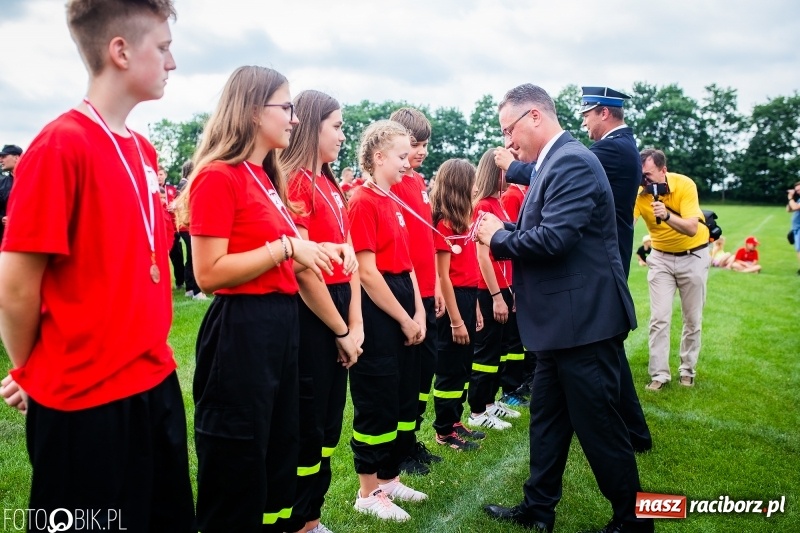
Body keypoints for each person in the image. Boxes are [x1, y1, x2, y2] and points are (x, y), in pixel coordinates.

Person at [0, 1, 196, 531]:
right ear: (120, 51)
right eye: (163, 47)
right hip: (83, 405)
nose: (172, 63)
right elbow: (16, 287)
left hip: (154, 383)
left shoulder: (144, 151)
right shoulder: (60, 146)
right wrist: (32, 371)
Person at [478, 83, 653, 533]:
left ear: (534, 116)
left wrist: (498, 238)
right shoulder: (553, 161)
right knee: (548, 423)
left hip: (584, 323)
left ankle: (635, 521)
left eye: (509, 130)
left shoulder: (571, 160)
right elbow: (545, 225)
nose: (509, 143)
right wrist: (509, 228)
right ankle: (538, 511)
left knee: (601, 428)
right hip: (564, 323)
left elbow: (555, 239)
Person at [182, 65, 343, 532]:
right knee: (237, 458)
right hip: (243, 331)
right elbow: (208, 272)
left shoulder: (263, 177)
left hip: (278, 325)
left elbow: (278, 253)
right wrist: (290, 247)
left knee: (277, 449)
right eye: (286, 107)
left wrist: (319, 249)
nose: (293, 119)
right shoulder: (219, 175)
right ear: (254, 111)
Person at [281, 89, 363, 533]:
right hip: (313, 321)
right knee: (308, 426)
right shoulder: (295, 181)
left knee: (328, 427)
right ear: (312, 126)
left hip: (339, 319)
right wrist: (338, 328)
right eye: (337, 126)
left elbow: (348, 258)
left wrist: (355, 322)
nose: (343, 136)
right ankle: (297, 522)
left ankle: (312, 518)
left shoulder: (331, 184)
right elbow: (304, 269)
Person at [348, 119, 427, 522]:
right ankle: (368, 490)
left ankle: (391, 477)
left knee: (401, 397)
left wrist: (418, 312)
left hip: (402, 302)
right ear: (378, 157)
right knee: (376, 398)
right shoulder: (362, 200)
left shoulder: (393, 199)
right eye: (400, 156)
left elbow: (408, 264)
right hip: (378, 310)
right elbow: (367, 272)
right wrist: (402, 318)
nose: (407, 164)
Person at [388, 107, 443, 472]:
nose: (422, 150)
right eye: (415, 143)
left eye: (425, 143)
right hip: (405, 294)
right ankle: (398, 449)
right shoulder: (389, 184)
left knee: (424, 372)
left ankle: (411, 438)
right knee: (403, 377)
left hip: (426, 290)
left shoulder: (418, 182)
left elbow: (427, 239)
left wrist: (437, 284)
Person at [635, 148, 709, 391]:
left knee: (692, 318)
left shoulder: (684, 185)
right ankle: (659, 374)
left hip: (693, 255)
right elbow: (625, 222)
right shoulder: (639, 193)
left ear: (663, 170)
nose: (644, 181)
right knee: (659, 318)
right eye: (641, 176)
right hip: (661, 259)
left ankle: (687, 369)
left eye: (648, 175)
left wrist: (665, 215)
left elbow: (691, 228)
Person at [429, 158, 484, 451]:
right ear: (459, 186)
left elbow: (470, 269)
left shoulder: (466, 220)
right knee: (450, 367)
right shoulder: (443, 224)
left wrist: (473, 307)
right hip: (452, 303)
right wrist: (456, 320)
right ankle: (444, 430)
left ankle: (456, 421)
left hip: (468, 297)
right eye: (472, 181)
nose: (477, 186)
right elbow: (443, 276)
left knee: (464, 365)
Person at [467, 149, 523, 431]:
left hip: (505, 287)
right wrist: (497, 296)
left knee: (500, 348)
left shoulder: (498, 202)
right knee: (487, 352)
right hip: (489, 290)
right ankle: (477, 409)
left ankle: (490, 403)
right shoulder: (482, 206)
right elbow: (481, 256)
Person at [175, 160, 204, 299]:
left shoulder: (181, 183)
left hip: (183, 226)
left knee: (190, 257)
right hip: (187, 225)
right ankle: (196, 291)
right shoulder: (186, 184)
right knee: (194, 257)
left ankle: (190, 288)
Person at [0, 144, 22, 239]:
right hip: (4, 238)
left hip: (26, 237)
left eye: (4, 157)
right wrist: (1, 218)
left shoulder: (34, 180)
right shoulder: (1, 183)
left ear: (16, 158)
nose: (1, 160)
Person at [787, 181, 800, 275]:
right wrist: (792, 198)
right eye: (797, 190)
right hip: (796, 228)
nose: (798, 191)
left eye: (799, 189)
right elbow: (788, 209)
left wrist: (791, 198)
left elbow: (795, 207)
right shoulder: (798, 199)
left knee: (799, 249)